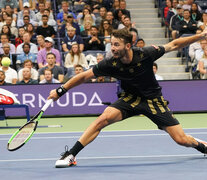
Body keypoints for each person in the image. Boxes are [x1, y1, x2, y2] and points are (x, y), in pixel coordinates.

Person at [48, 28, 207, 168]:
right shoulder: (110, 63)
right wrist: (61, 90)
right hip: (129, 99)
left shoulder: (145, 54)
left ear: (128, 46)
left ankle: (201, 146)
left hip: (153, 101)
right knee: (102, 120)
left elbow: (174, 44)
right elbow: (84, 76)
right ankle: (71, 154)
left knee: (182, 140)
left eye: (116, 44)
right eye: (111, 44)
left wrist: (201, 36)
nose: (113, 48)